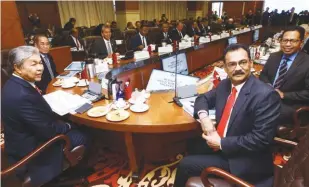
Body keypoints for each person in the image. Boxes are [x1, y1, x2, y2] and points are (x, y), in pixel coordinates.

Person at [174, 44, 281, 187]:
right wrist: (204, 118)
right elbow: (202, 99)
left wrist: (221, 143)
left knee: (185, 164)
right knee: (191, 144)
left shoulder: (266, 95)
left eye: (242, 62)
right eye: (232, 64)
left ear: (250, 63)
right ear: (225, 68)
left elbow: (260, 140)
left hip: (245, 159)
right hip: (225, 140)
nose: (238, 68)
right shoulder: (226, 84)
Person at [1, 46, 87, 186]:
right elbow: (49, 131)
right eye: (33, 64)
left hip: (21, 141)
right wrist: (69, 125)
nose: (40, 67)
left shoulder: (14, 84)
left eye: (40, 62)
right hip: (33, 155)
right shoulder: (21, 95)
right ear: (17, 67)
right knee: (82, 133)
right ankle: (76, 171)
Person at [260, 26, 309, 125]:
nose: (287, 44)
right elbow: (263, 75)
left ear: (301, 42)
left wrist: (283, 95)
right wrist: (269, 86)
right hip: (269, 98)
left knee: (259, 113)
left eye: (293, 41)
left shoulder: (307, 62)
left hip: (290, 105)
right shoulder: (274, 56)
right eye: (285, 40)